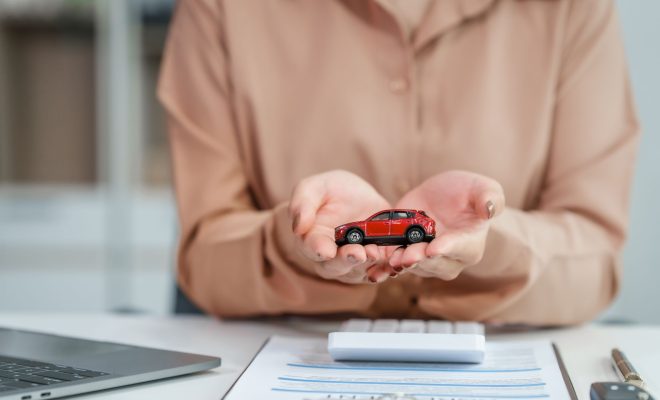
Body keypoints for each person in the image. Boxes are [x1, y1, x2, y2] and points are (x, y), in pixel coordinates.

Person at [157, 0, 639, 324]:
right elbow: (205, 259)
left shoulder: (573, 8)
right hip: (286, 358)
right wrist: (298, 237)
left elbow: (596, 264)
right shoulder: (220, 8)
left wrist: (489, 243)